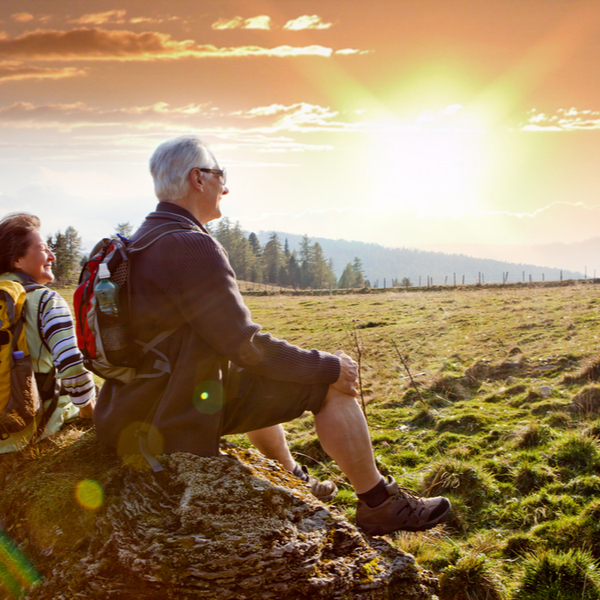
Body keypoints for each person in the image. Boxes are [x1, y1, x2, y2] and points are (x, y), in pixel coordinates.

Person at [94, 135, 451, 535]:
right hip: (169, 416)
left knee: (262, 376)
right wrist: (329, 366)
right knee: (329, 386)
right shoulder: (190, 245)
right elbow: (245, 347)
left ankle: (294, 476)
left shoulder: (139, 241)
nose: (225, 187)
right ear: (198, 179)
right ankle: (380, 504)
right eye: (219, 175)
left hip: (129, 408)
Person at [0, 213, 96, 453]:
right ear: (17, 261)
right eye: (43, 249)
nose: (52, 256)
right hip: (26, 432)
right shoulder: (46, 299)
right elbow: (72, 366)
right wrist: (89, 414)